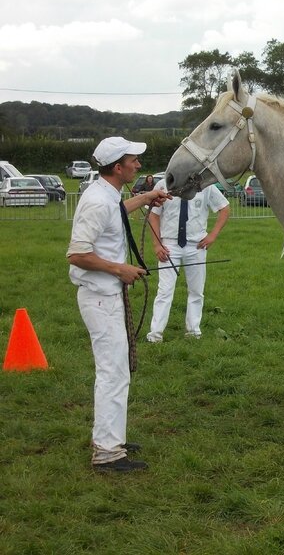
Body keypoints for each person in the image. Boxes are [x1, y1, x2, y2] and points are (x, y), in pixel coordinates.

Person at [67, 136, 170, 472]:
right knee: (113, 372)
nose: (138, 165)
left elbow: (118, 212)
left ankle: (112, 438)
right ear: (117, 167)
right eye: (133, 160)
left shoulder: (107, 195)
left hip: (106, 294)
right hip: (100, 296)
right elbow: (77, 254)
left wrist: (147, 197)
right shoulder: (97, 201)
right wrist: (119, 268)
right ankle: (107, 454)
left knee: (118, 370)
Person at [146, 180, 230, 343]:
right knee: (164, 290)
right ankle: (155, 334)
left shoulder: (205, 186)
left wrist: (212, 235)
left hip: (196, 245)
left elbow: (225, 209)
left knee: (196, 290)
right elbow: (153, 214)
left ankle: (193, 331)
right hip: (169, 244)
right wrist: (157, 244)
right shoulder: (164, 184)